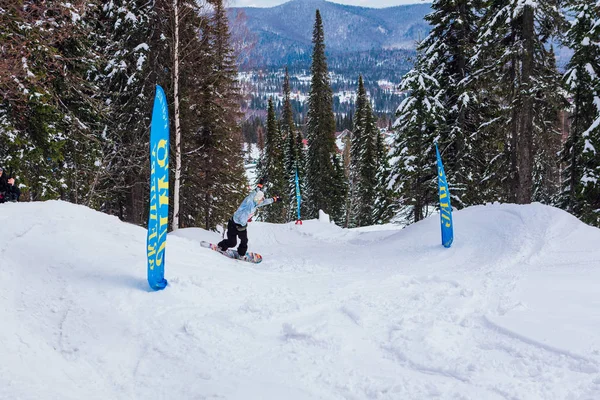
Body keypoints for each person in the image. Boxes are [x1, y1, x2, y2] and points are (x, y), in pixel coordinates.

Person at [218, 179, 280, 256]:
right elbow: (252, 195)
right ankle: (221, 246)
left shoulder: (256, 204)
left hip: (241, 226)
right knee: (232, 243)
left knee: (244, 241)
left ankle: (241, 254)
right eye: (261, 199)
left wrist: (274, 199)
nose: (262, 201)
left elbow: (265, 202)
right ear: (257, 198)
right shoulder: (249, 201)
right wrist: (259, 186)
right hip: (233, 224)